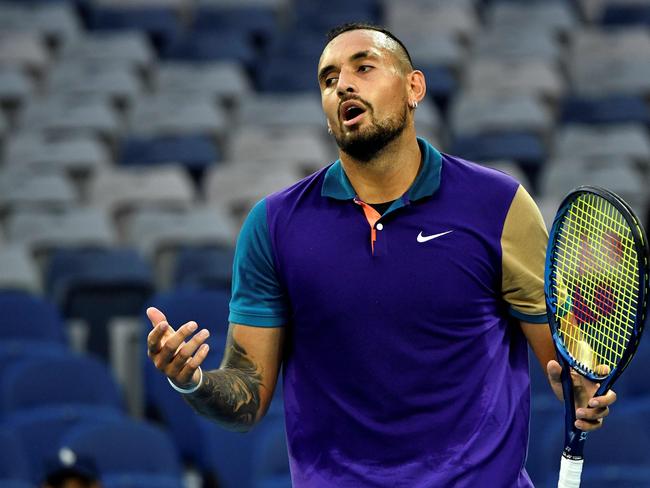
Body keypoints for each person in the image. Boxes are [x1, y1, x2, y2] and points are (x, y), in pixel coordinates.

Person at [146, 22, 617, 487]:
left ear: (414, 87)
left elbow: (559, 361)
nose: (343, 84)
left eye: (364, 67)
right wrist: (192, 381)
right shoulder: (272, 226)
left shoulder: (498, 206)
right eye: (329, 80)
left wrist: (576, 388)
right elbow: (247, 396)